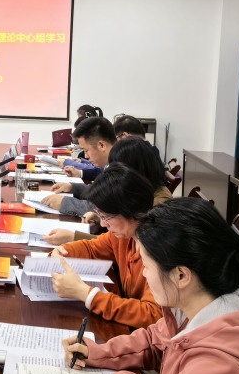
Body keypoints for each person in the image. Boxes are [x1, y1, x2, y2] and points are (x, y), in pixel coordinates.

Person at [63, 198, 239, 374]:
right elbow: (155, 340)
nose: (144, 274)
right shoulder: (199, 305)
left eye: (146, 265)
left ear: (181, 275)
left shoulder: (216, 366)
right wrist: (99, 352)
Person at [50, 163, 163, 329]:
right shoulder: (124, 235)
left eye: (106, 217)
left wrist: (86, 294)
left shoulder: (158, 252)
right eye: (100, 215)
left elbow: (152, 314)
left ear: (130, 211)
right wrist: (62, 252)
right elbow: (92, 248)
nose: (102, 223)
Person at [45, 136, 171, 242]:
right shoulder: (138, 189)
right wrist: (102, 217)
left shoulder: (158, 205)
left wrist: (73, 237)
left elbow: (125, 243)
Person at [42, 116, 116, 213]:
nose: (86, 156)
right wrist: (73, 188)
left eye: (86, 150)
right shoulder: (110, 162)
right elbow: (102, 192)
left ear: (101, 145)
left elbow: (106, 208)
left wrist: (65, 203)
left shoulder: (122, 165)